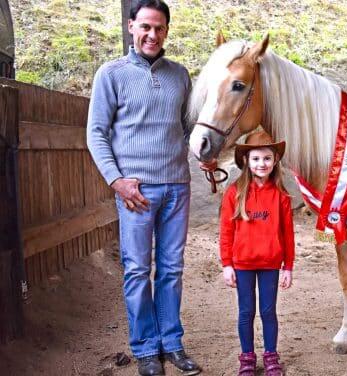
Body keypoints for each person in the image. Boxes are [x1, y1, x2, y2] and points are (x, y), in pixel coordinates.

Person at [86, 1, 201, 375]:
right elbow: (96, 133)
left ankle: (172, 343)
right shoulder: (112, 74)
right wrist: (116, 180)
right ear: (132, 26)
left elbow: (187, 129)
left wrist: (206, 156)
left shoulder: (180, 75)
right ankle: (145, 349)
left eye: (160, 28)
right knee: (137, 270)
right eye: (146, 27)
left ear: (167, 31)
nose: (153, 35)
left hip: (177, 188)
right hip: (135, 192)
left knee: (171, 269)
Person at [219, 130, 295, 376]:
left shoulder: (281, 196)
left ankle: (271, 355)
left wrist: (288, 266)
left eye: (266, 158)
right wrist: (227, 264)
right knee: (246, 311)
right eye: (256, 159)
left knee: (268, 312)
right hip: (242, 264)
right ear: (246, 162)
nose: (261, 164)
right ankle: (247, 358)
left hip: (271, 264)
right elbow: (226, 231)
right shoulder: (235, 193)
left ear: (274, 162)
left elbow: (288, 235)